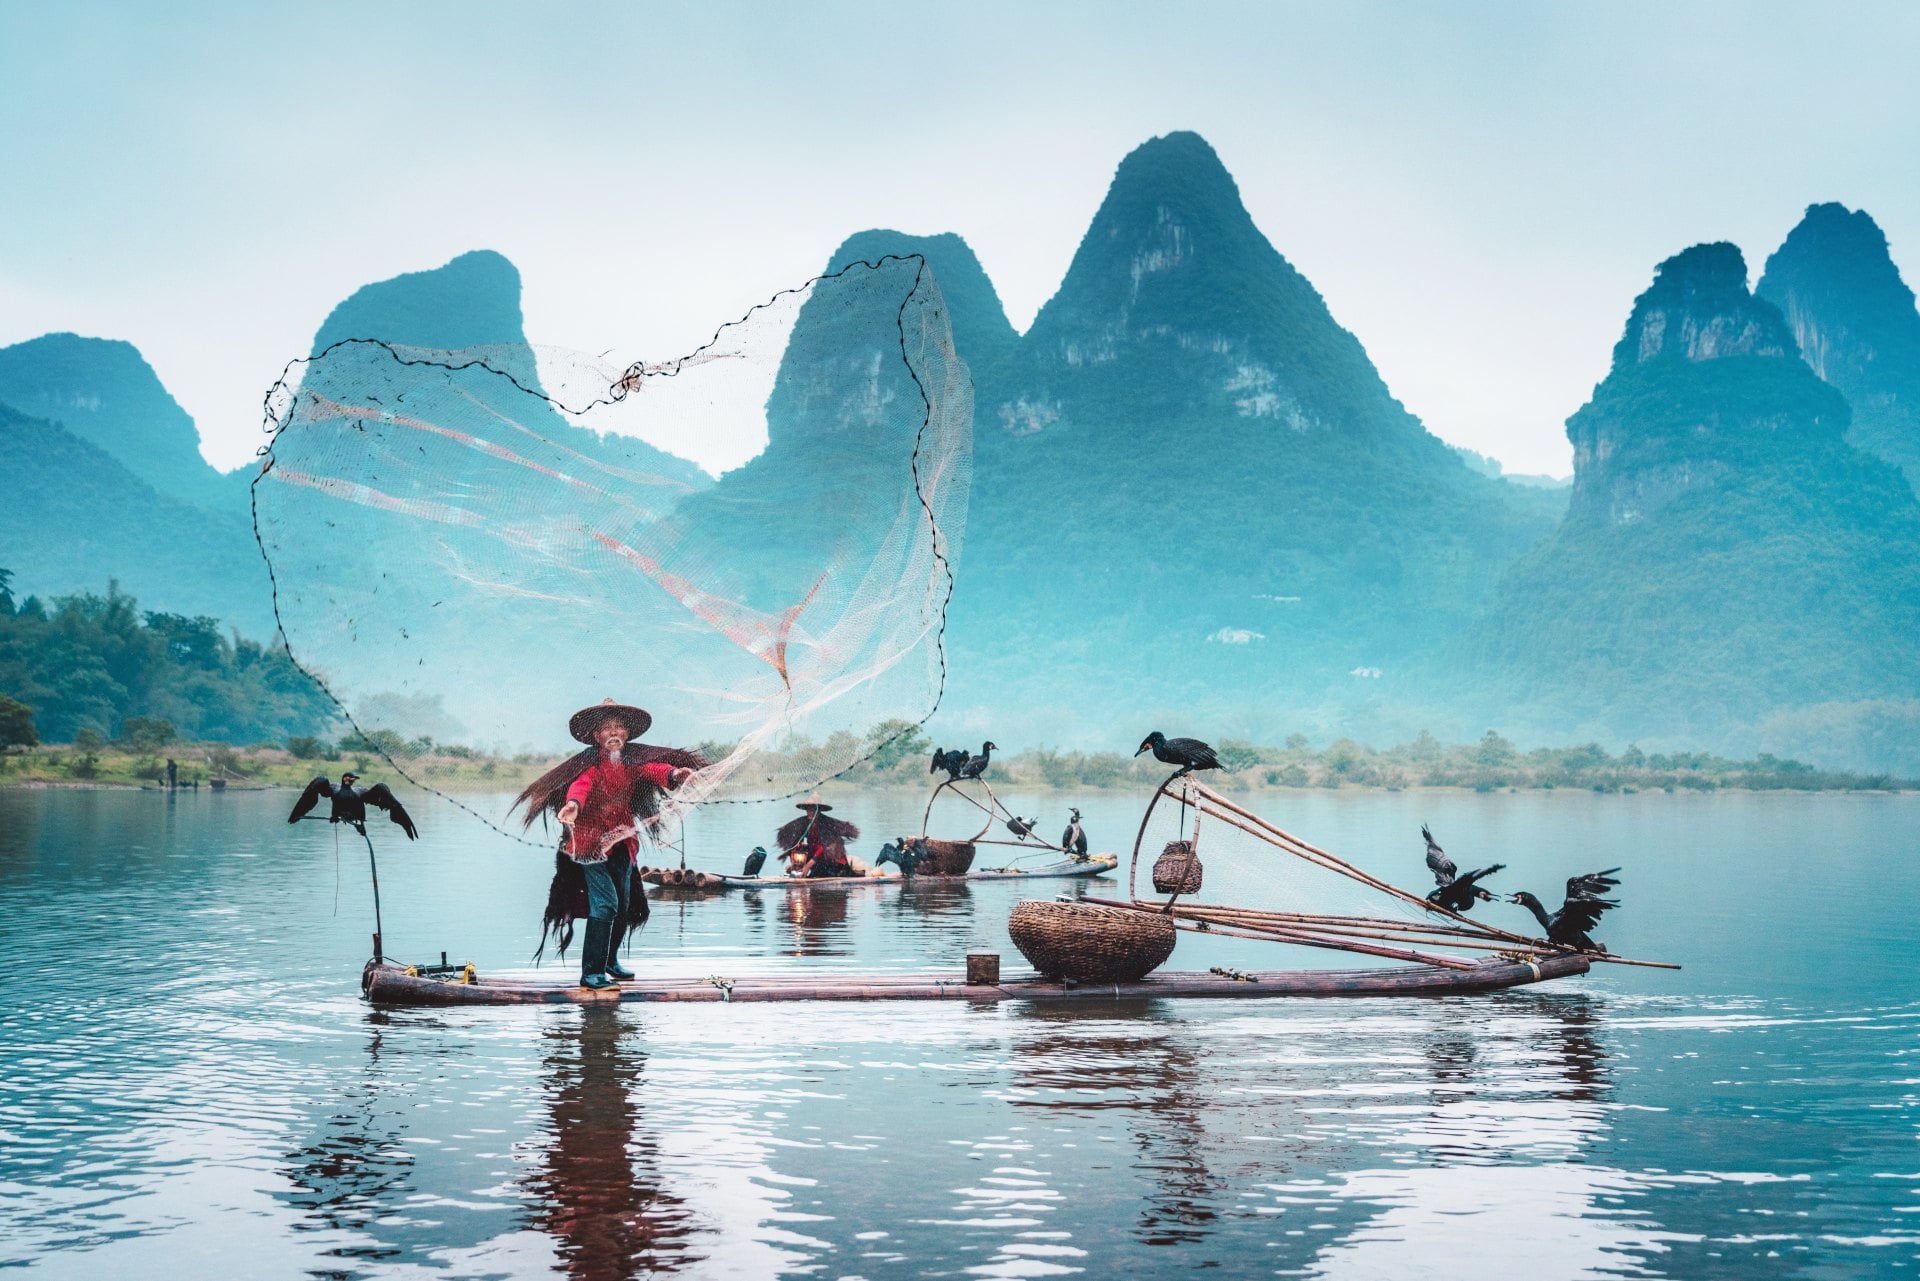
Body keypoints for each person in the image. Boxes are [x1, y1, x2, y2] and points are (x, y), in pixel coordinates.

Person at [511, 698, 705, 989]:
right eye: (606, 728)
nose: (614, 732)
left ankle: (610, 962)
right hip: (589, 847)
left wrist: (675, 775)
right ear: (596, 737)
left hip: (623, 845)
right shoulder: (590, 767)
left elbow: (653, 769)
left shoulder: (631, 764)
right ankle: (591, 974)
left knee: (624, 905)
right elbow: (580, 787)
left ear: (627, 735)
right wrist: (573, 806)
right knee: (605, 905)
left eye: (619, 727)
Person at [777, 795, 861, 879]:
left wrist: (808, 866)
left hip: (832, 861)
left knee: (822, 869)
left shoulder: (827, 823)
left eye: (813, 809)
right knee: (801, 850)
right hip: (817, 860)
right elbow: (796, 844)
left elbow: (823, 847)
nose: (810, 812)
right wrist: (794, 864)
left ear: (819, 810)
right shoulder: (803, 822)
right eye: (808, 809)